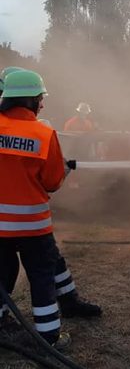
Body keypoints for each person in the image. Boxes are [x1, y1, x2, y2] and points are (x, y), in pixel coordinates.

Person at [0, 70, 99, 348]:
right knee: (42, 277)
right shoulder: (43, 133)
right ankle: (49, 338)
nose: (42, 103)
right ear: (31, 100)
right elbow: (52, 182)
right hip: (32, 225)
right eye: (40, 98)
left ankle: (67, 303)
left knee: (4, 275)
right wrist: (64, 170)